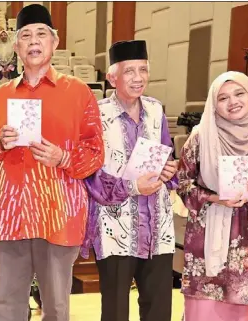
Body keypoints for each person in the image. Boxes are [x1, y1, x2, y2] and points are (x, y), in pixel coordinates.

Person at [0, 5, 104, 321]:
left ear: (55, 42)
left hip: (59, 213)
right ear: (17, 46)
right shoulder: (0, 96)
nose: (34, 41)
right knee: (8, 303)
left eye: (41, 34)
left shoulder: (78, 93)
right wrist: (0, 144)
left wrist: (63, 157)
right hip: (10, 213)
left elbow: (95, 153)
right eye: (25, 35)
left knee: (57, 307)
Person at [176, 71, 248, 321]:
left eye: (239, 93)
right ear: (213, 105)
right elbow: (181, 182)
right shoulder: (201, 136)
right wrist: (215, 198)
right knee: (203, 309)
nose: (233, 102)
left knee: (245, 309)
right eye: (223, 98)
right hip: (207, 236)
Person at [82, 40, 177, 321]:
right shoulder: (96, 114)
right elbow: (90, 173)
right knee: (115, 310)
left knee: (159, 306)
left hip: (157, 224)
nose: (138, 78)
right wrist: (133, 186)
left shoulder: (156, 110)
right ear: (112, 77)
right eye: (129, 71)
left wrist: (169, 172)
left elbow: (165, 153)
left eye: (143, 70)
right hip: (115, 226)